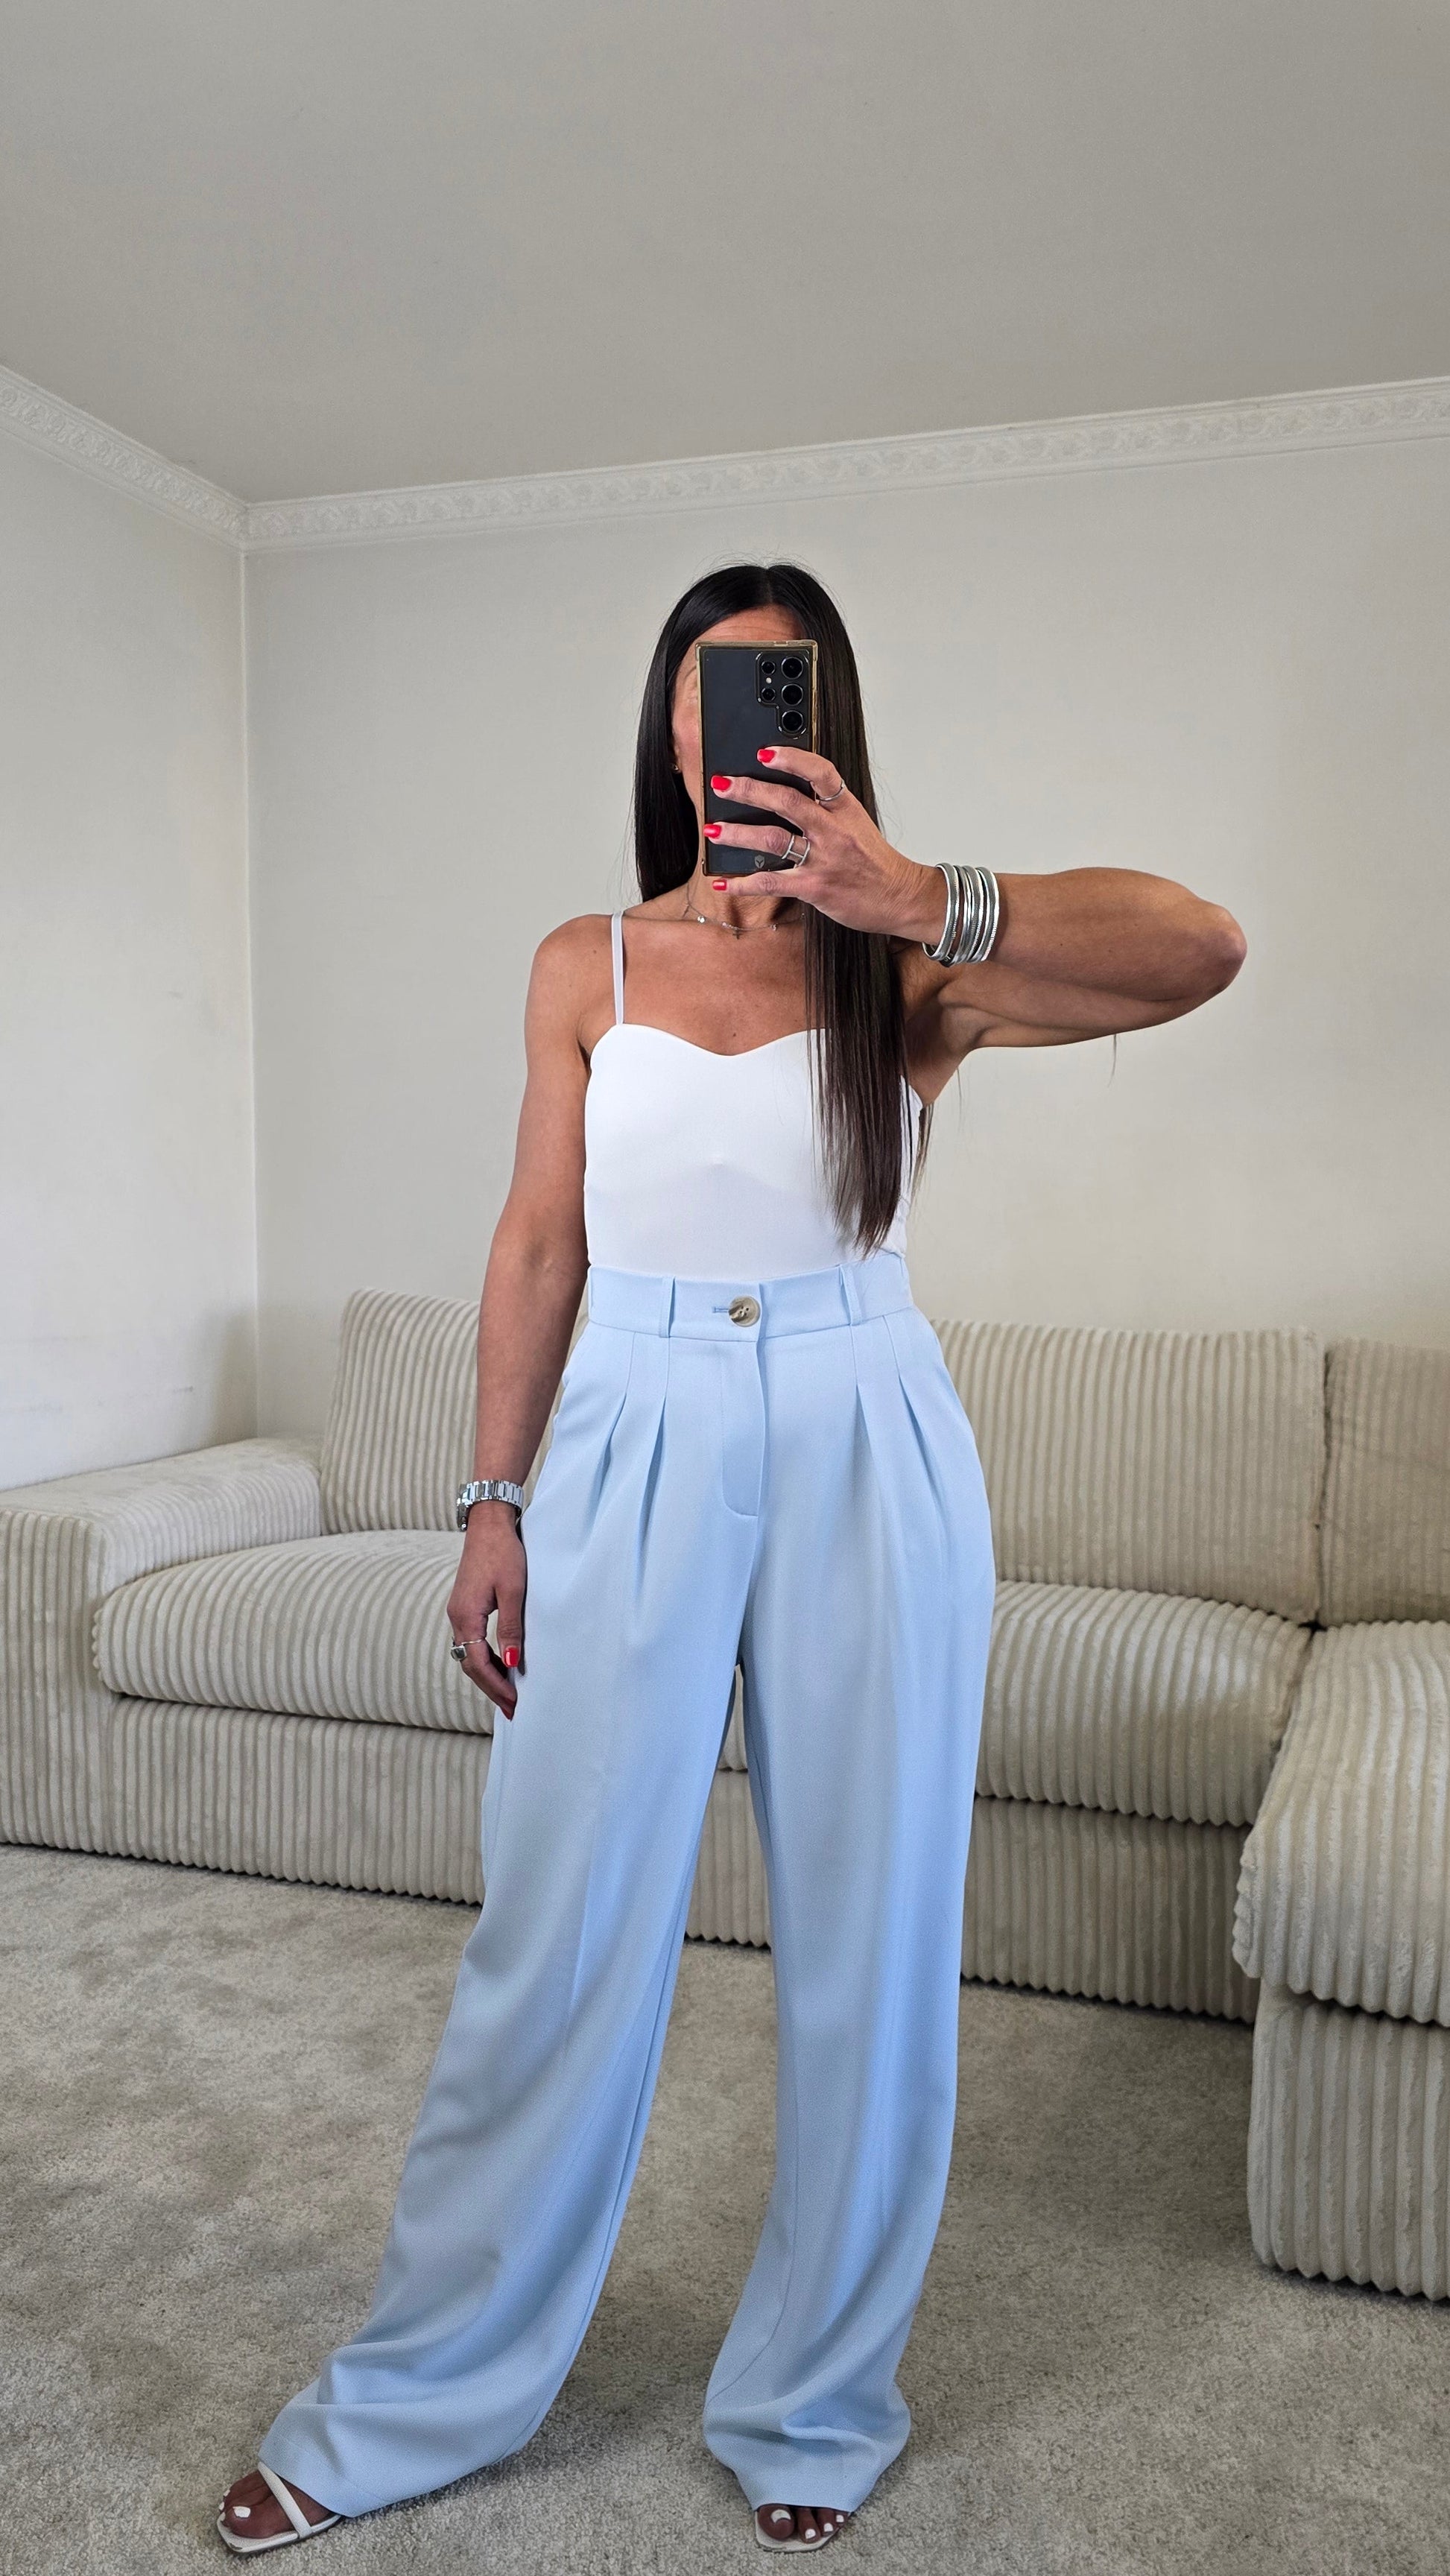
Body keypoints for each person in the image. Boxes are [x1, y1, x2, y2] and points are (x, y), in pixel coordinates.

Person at [216, 560, 1246, 2557]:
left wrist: (915, 889)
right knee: (554, 1931)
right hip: (631, 1428)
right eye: (704, 692)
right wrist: (491, 1498)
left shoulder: (908, 970)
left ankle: (815, 2401)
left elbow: (1201, 948)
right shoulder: (582, 964)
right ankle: (419, 2395)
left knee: (873, 1941)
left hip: (868, 1428)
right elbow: (539, 1242)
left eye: (768, 693)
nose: (731, 728)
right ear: (668, 726)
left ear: (820, 723)